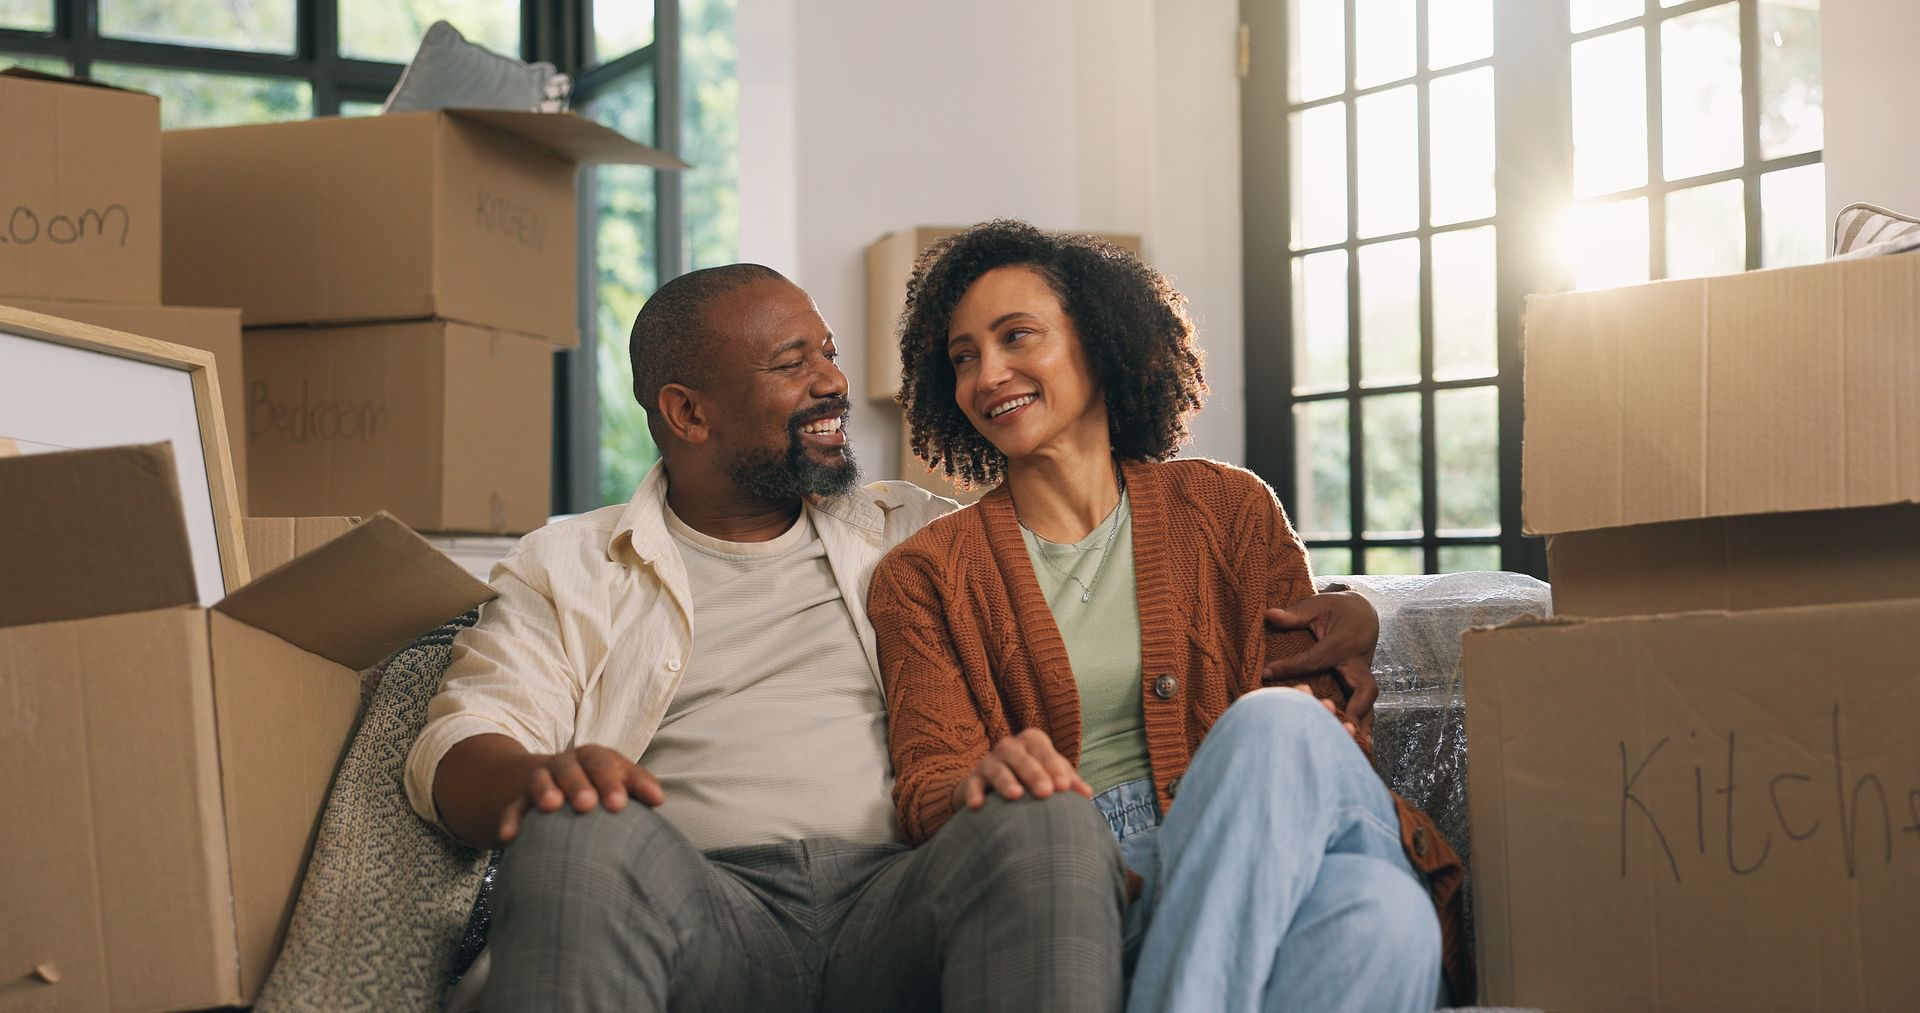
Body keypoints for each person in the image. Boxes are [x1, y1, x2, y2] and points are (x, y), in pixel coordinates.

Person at [405, 262, 1385, 1011]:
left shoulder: (920, 532)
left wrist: (1353, 602)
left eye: (828, 349)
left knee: (1049, 819)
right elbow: (460, 742)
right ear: (687, 412)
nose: (835, 382)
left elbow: (1115, 561)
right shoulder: (572, 562)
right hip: (699, 898)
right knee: (574, 841)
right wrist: (543, 781)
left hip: (907, 894)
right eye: (795, 364)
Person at [869, 220, 1472, 1013]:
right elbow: (925, 787)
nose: (989, 373)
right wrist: (978, 783)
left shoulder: (1229, 508)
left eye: (1017, 336)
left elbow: (1323, 715)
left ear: (1101, 339)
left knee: (1276, 729)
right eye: (964, 357)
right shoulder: (925, 575)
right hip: (1092, 880)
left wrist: (1353, 625)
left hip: (1260, 824)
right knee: (1385, 915)